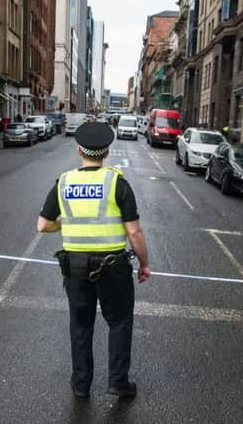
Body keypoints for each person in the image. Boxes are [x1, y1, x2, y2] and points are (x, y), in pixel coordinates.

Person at [37, 122, 150, 399]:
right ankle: (118, 383)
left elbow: (43, 225)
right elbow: (134, 231)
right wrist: (144, 264)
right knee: (120, 322)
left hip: (75, 267)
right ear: (107, 152)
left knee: (81, 325)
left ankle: (81, 384)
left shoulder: (63, 182)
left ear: (79, 151)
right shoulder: (117, 182)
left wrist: (67, 222)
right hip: (113, 267)